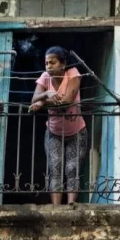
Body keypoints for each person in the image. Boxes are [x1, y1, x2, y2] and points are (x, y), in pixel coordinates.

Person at [29, 46, 87, 205]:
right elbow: (34, 98)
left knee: (72, 168)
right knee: (55, 169)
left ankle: (70, 204)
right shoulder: (44, 77)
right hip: (53, 133)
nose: (48, 66)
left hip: (77, 132)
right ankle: (56, 207)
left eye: (52, 62)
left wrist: (42, 103)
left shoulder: (73, 73)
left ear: (63, 63)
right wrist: (45, 95)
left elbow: (66, 102)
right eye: (46, 63)